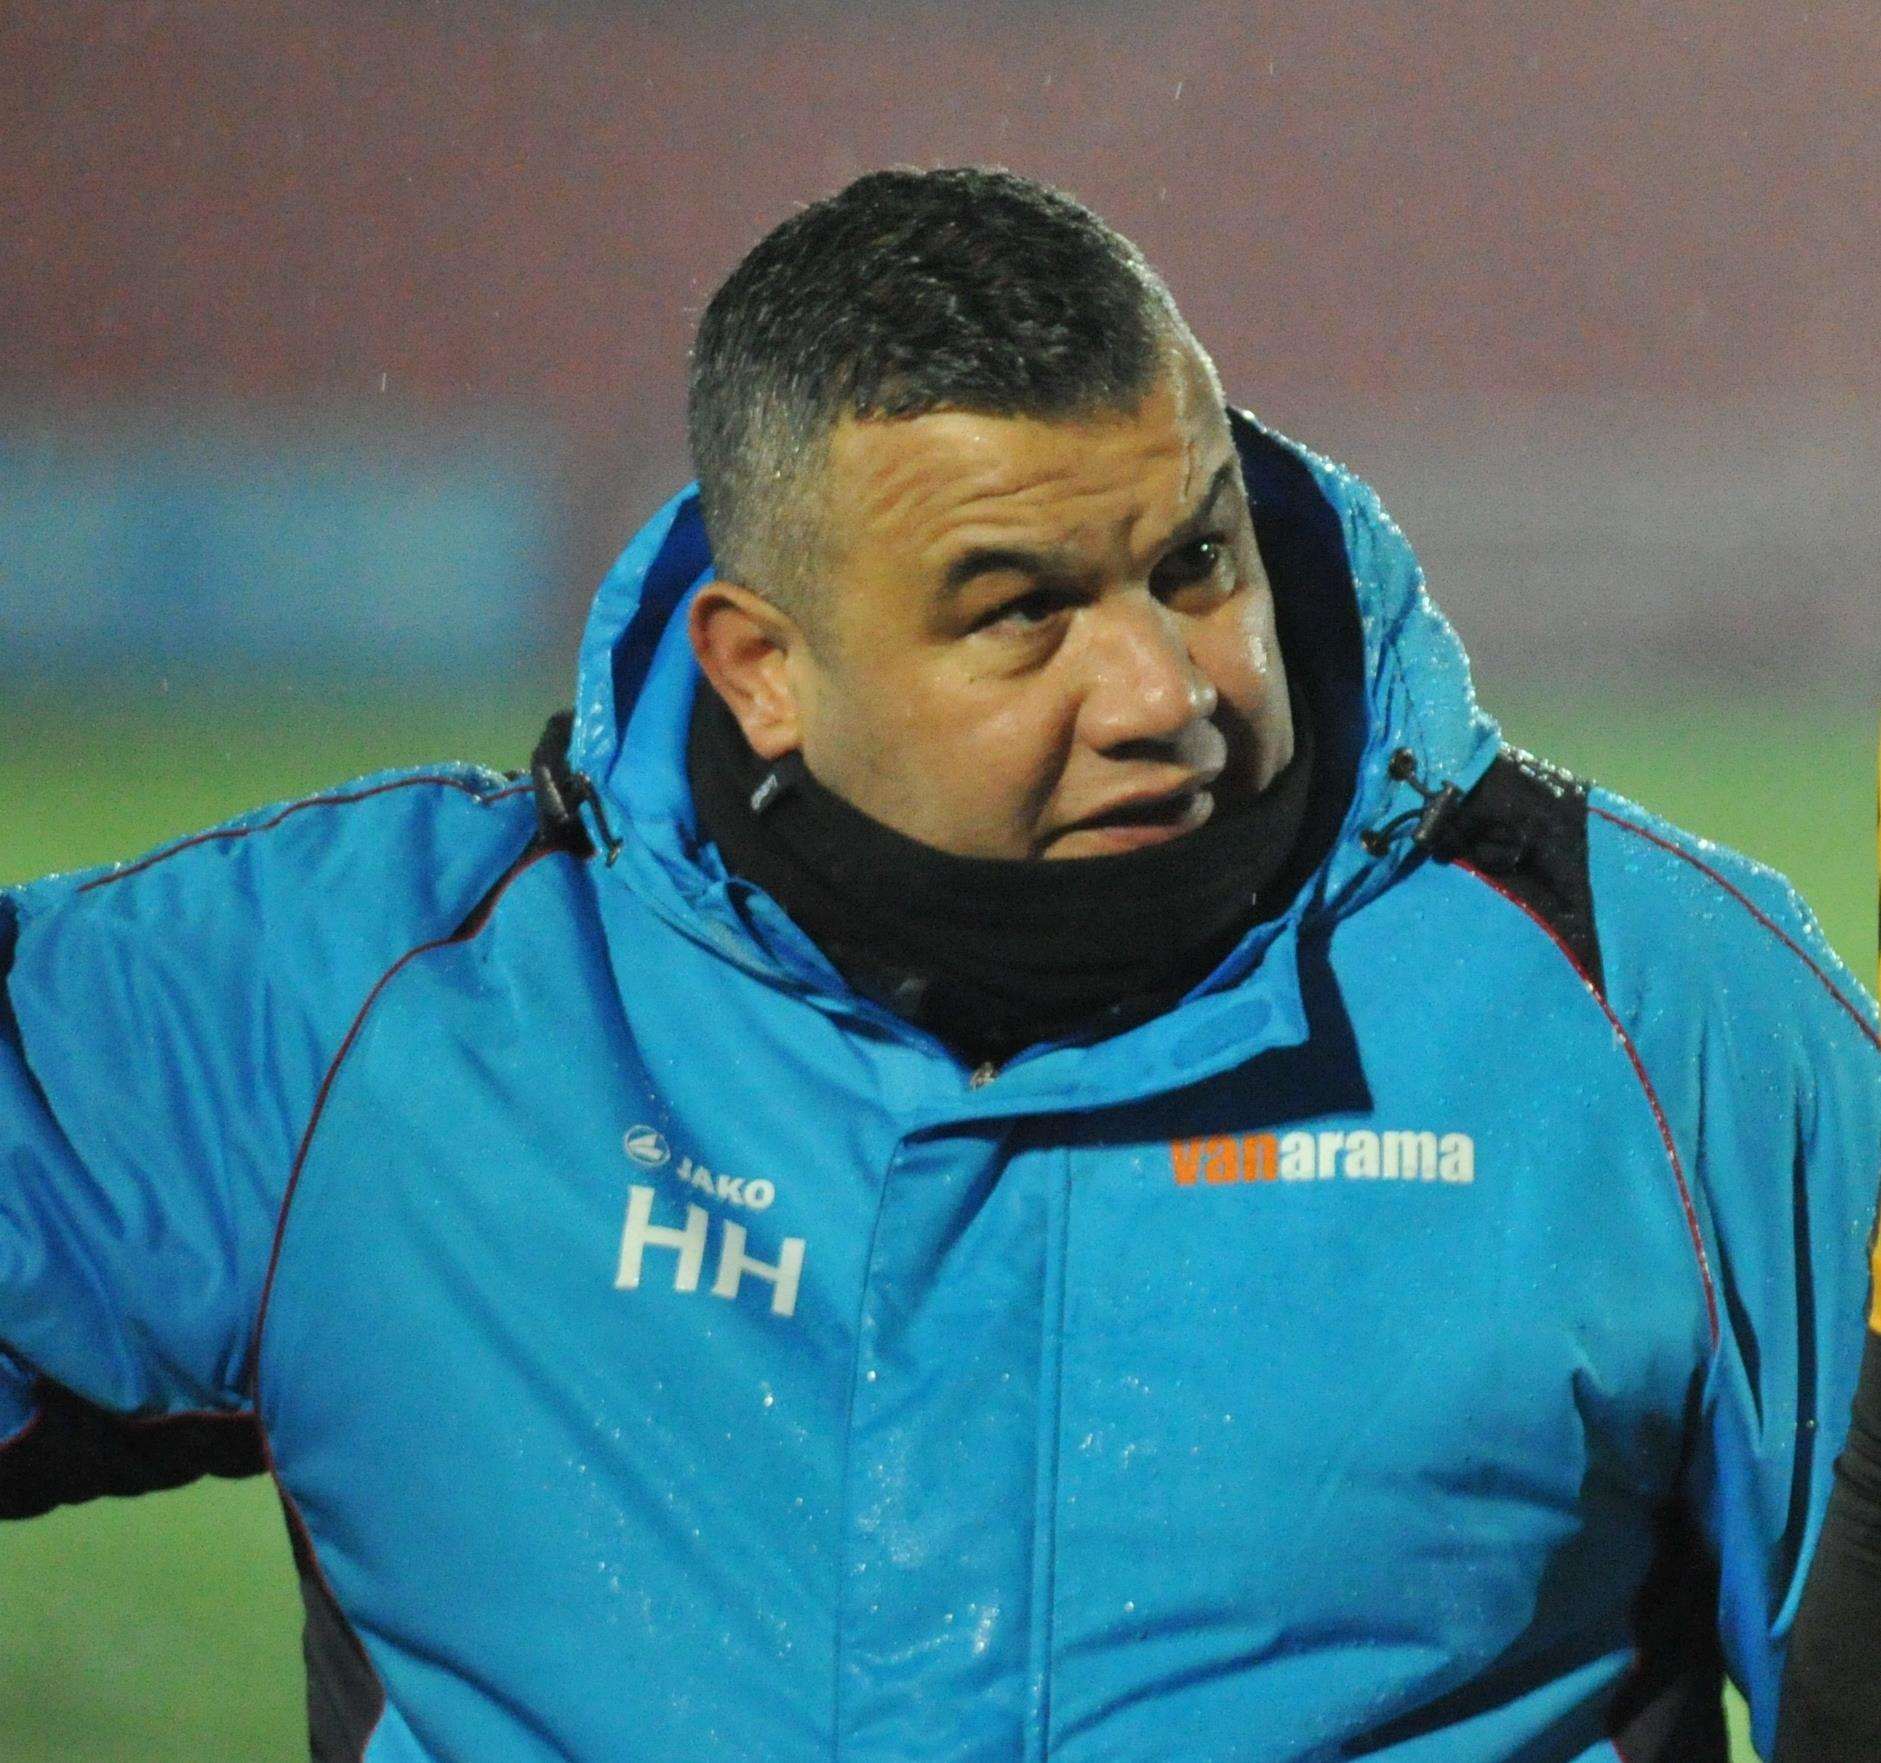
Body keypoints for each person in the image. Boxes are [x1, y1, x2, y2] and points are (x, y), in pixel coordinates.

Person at [2, 166, 1876, 1763]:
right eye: (1021, 613)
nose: (1161, 693)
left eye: (1195, 562)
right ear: (763, 670)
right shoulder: (365, 1005)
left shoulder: (1645, 1007)